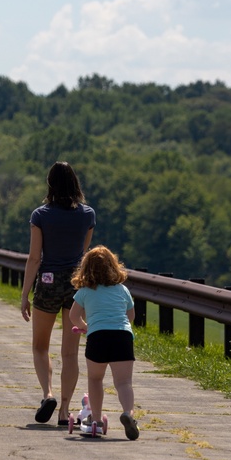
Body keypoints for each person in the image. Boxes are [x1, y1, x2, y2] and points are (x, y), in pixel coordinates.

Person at [21, 161, 95, 425]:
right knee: (69, 353)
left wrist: (24, 294)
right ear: (75, 183)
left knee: (40, 346)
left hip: (49, 284)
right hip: (76, 286)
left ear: (50, 184)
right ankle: (64, 411)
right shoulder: (88, 215)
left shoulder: (40, 215)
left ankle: (48, 394)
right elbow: (82, 253)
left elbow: (34, 258)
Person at [68, 246, 139, 440]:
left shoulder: (84, 291)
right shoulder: (122, 289)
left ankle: (97, 419)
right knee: (124, 382)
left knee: (95, 379)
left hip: (98, 337)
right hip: (122, 336)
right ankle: (128, 414)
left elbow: (73, 316)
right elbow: (130, 315)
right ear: (113, 266)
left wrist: (86, 327)